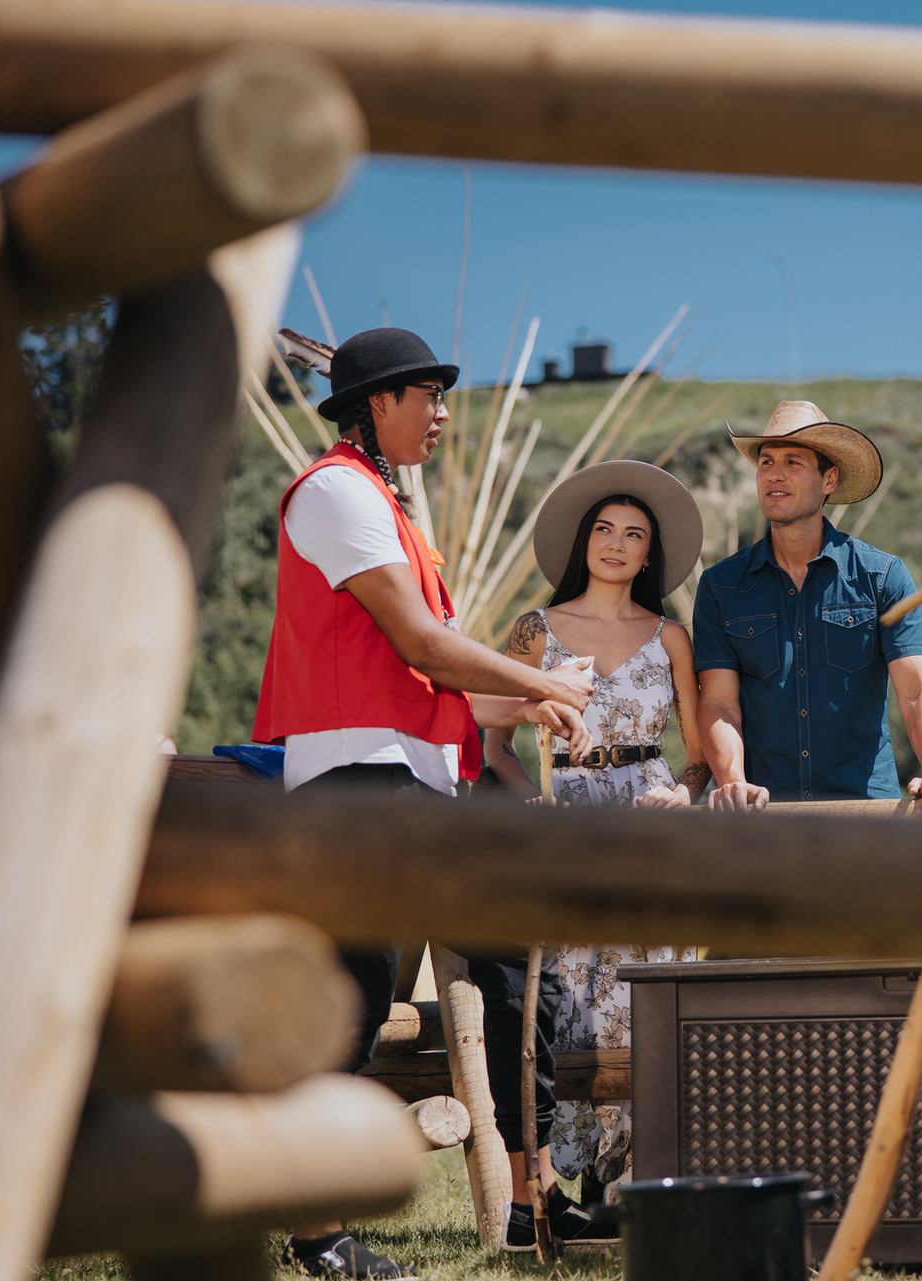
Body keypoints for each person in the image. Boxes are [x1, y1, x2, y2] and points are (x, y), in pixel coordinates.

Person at [252, 327, 600, 1277]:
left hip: (412, 783)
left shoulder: (392, 513)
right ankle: (314, 1230)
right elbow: (421, 645)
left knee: (516, 959)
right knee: (353, 1001)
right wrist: (540, 689)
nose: (444, 415)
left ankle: (534, 1204)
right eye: (429, 396)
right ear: (376, 405)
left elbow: (445, 685)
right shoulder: (333, 493)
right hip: (356, 782)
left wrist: (539, 701)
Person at [483, 460, 708, 1206]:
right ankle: (575, 1176)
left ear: (650, 555)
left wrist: (681, 792)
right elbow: (489, 740)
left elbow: (700, 757)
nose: (617, 544)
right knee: (570, 995)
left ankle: (639, 1171)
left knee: (645, 987)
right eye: (605, 530)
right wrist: (526, 801)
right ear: (585, 542)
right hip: (566, 823)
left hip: (649, 825)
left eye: (634, 534)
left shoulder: (673, 636)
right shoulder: (535, 630)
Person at [692, 400, 922, 815]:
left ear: (829, 479)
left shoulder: (882, 577)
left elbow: (916, 689)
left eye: (793, 462)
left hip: (865, 815)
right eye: (766, 462)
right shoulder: (720, 586)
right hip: (765, 817)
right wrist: (732, 782)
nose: (774, 474)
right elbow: (719, 703)